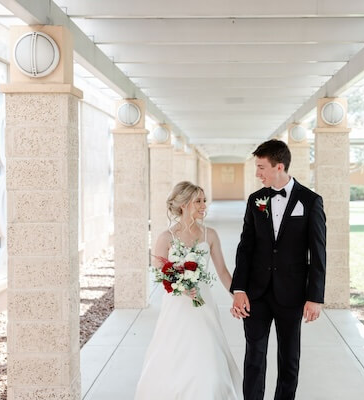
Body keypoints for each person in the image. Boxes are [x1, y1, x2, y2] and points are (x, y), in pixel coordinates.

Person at [230, 139, 326, 400]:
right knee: (254, 357)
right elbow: (245, 247)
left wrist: (315, 297)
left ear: (279, 166)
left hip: (292, 294)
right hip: (256, 293)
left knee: (289, 359)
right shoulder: (255, 200)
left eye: (261, 167)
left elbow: (318, 253)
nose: (257, 173)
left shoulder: (310, 201)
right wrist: (239, 289)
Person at [134, 181, 242, 400]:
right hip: (177, 304)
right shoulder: (166, 238)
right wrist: (182, 287)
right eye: (198, 201)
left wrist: (237, 296)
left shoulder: (209, 235)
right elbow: (159, 272)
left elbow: (222, 271)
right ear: (183, 204)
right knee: (175, 350)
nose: (204, 206)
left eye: (205, 201)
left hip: (204, 304)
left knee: (208, 350)